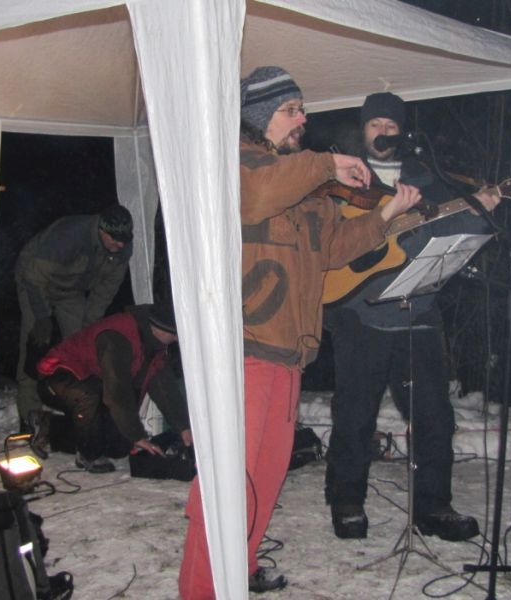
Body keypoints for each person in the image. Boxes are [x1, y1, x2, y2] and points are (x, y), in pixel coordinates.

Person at [177, 67, 422, 597]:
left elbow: (332, 249)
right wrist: (327, 163)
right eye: (291, 110)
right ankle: (202, 589)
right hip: (243, 348)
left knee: (264, 477)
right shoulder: (237, 162)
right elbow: (259, 195)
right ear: (259, 117)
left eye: (303, 110)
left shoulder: (304, 180)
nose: (302, 120)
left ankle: (239, 569)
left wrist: (386, 213)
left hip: (289, 352)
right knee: (228, 483)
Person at [323, 92, 501, 542]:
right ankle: (346, 501)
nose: (383, 132)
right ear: (363, 129)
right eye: (375, 124)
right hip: (360, 310)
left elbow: (448, 230)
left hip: (417, 310)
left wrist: (480, 213)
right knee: (356, 413)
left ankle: (434, 506)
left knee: (434, 415)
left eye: (391, 125)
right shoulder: (342, 176)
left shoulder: (427, 179)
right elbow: (329, 240)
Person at [15, 205, 134, 442]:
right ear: (101, 230)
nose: (120, 245)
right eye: (114, 239)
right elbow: (33, 275)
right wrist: (42, 316)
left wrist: (89, 328)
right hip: (35, 281)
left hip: (70, 289)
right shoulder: (69, 235)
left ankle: (76, 406)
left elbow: (104, 292)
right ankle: (29, 415)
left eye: (124, 240)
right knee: (35, 342)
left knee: (80, 346)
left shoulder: (122, 249)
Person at [35, 302, 191, 473]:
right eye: (174, 334)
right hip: (57, 374)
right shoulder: (116, 338)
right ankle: (88, 455)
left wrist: (183, 427)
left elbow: (164, 389)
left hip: (95, 382)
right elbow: (117, 391)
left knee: (119, 446)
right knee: (89, 398)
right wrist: (137, 435)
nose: (177, 339)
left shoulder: (155, 345)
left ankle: (51, 427)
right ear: (159, 329)